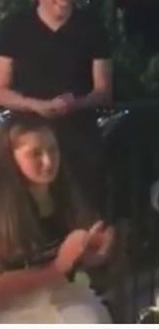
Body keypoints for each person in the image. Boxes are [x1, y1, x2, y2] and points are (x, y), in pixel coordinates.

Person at [0, 0, 112, 216]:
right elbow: (1, 90)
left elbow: (103, 91)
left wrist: (76, 104)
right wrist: (37, 106)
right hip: (29, 140)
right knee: (32, 213)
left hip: (79, 138)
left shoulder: (91, 28)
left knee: (86, 211)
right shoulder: (14, 27)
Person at [0, 113, 114, 323]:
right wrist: (56, 268)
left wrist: (90, 254)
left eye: (53, 150)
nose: (48, 161)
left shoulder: (66, 195)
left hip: (61, 296)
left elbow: (73, 264)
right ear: (10, 159)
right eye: (35, 154)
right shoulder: (5, 210)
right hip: (12, 308)